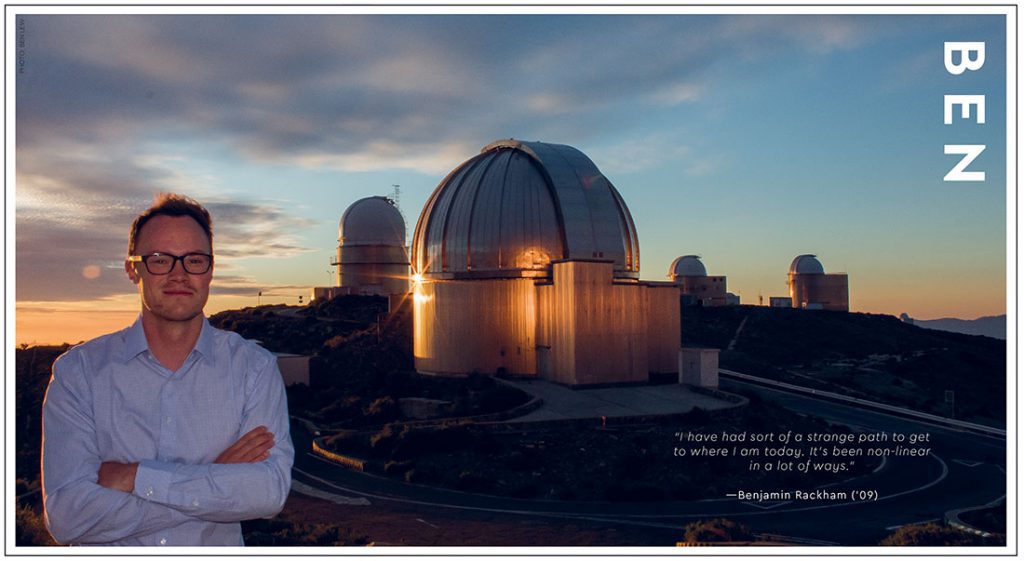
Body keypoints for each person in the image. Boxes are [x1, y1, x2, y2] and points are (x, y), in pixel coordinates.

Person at [41, 193, 294, 546]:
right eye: (160, 259)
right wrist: (215, 479)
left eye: (194, 260)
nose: (179, 274)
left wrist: (135, 477)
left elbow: (267, 492)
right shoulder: (78, 373)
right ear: (133, 268)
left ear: (210, 269)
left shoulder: (253, 369)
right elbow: (68, 517)